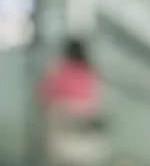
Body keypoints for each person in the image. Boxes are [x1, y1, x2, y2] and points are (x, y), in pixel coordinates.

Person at [38, 37, 104, 166]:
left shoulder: (58, 66)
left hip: (61, 112)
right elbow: (96, 97)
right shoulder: (90, 71)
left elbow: (46, 90)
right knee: (79, 153)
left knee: (60, 153)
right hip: (83, 113)